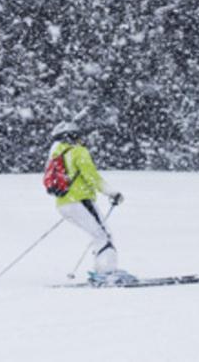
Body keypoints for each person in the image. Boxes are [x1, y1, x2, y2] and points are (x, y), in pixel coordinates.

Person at [47, 121, 135, 286]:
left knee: (98, 235)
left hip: (63, 204)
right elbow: (92, 177)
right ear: (72, 136)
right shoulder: (78, 152)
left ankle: (102, 269)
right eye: (78, 135)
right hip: (80, 201)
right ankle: (107, 273)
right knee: (104, 235)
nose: (81, 138)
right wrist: (112, 192)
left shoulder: (56, 155)